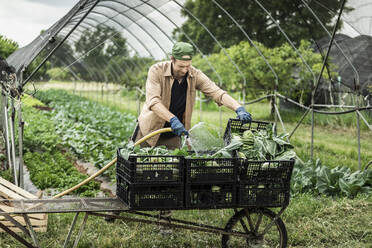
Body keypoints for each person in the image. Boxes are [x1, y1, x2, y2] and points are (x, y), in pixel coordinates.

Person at [132, 42, 252, 148]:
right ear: (172, 59)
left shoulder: (194, 75)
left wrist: (239, 108)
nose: (185, 70)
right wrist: (172, 119)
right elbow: (153, 101)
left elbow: (216, 92)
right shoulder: (156, 71)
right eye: (181, 66)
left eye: (188, 66)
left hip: (174, 135)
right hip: (149, 132)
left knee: (170, 169)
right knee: (140, 166)